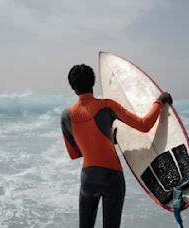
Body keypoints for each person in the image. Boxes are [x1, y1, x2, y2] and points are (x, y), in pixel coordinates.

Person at [61, 64, 172, 228]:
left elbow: (74, 154)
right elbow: (144, 125)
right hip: (111, 178)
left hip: (88, 179)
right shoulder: (107, 105)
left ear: (72, 86)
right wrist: (159, 102)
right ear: (94, 82)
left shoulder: (66, 116)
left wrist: (105, 139)